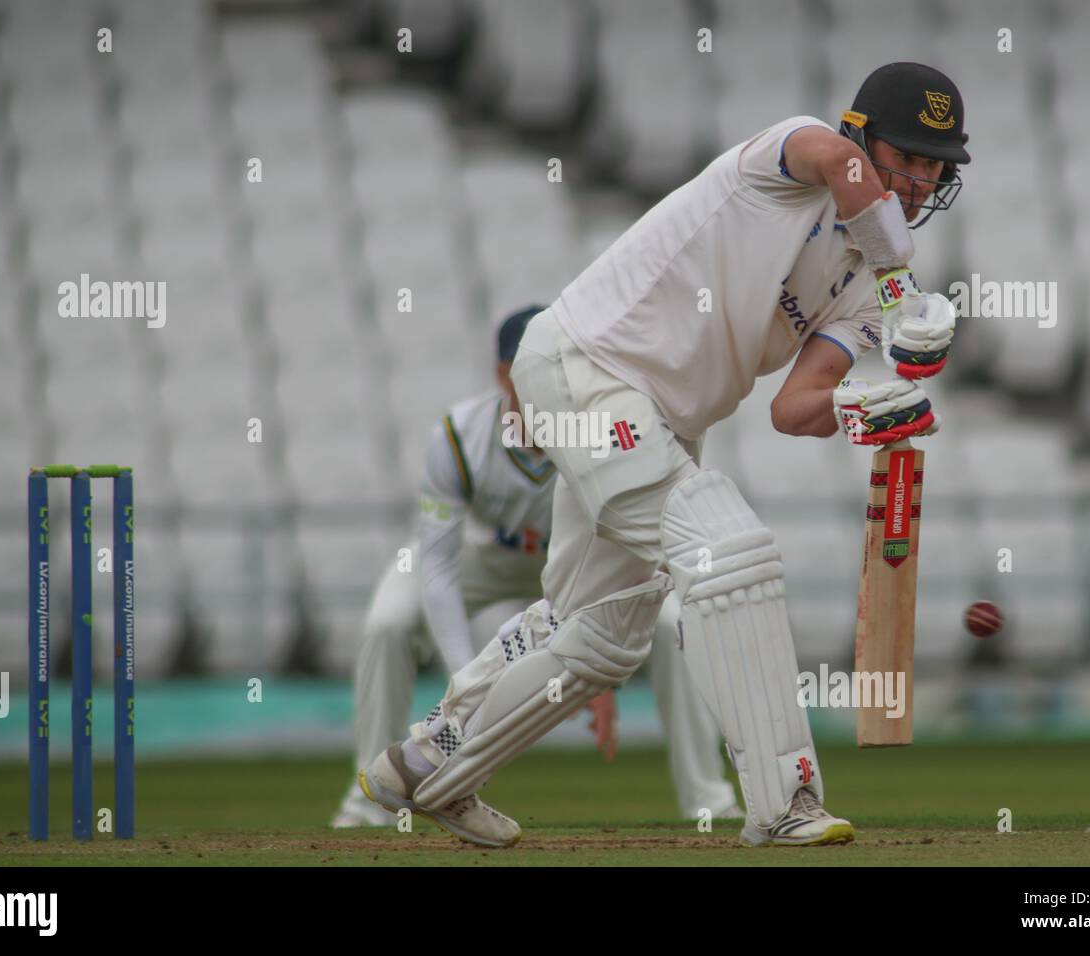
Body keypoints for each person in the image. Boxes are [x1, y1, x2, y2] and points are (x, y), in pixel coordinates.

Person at [361, 62, 966, 848]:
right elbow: (837, 166)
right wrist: (902, 290)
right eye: (907, 156)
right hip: (588, 366)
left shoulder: (859, 288)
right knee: (727, 551)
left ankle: (422, 766)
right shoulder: (795, 155)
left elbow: (793, 408)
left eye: (933, 164)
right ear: (862, 136)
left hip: (663, 419)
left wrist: (870, 410)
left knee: (601, 633)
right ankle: (786, 800)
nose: (918, 179)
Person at [332, 305, 739, 828]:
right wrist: (466, 687)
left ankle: (708, 799)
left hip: (572, 567)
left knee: (668, 623)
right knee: (388, 624)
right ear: (503, 374)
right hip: (480, 558)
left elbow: (626, 555)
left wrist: (596, 675)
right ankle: (368, 808)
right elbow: (437, 568)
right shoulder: (459, 437)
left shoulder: (601, 432)